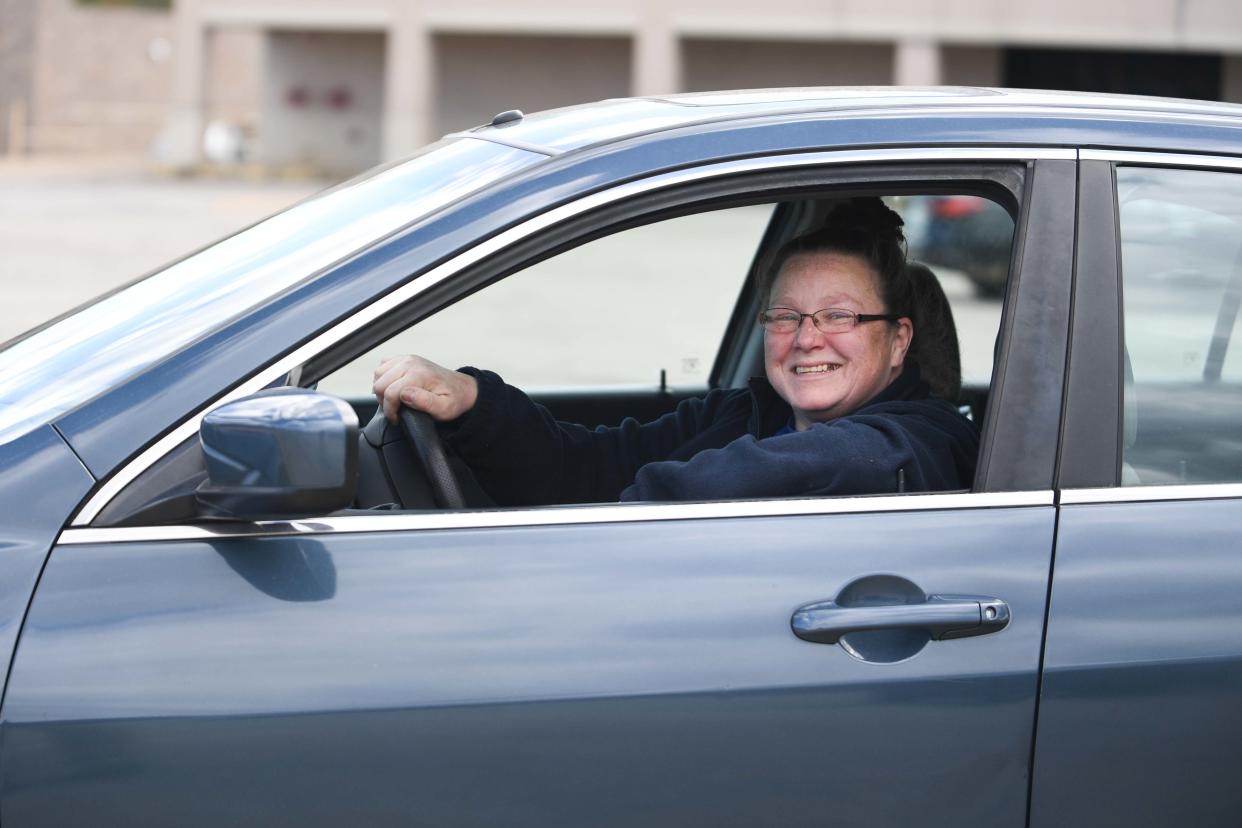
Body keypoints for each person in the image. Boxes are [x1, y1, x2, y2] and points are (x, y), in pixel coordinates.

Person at [372, 197, 979, 505]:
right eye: (785, 315)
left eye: (838, 315)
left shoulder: (920, 440)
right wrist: (474, 401)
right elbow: (579, 468)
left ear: (899, 339)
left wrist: (625, 518)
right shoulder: (738, 416)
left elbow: (826, 462)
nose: (807, 337)